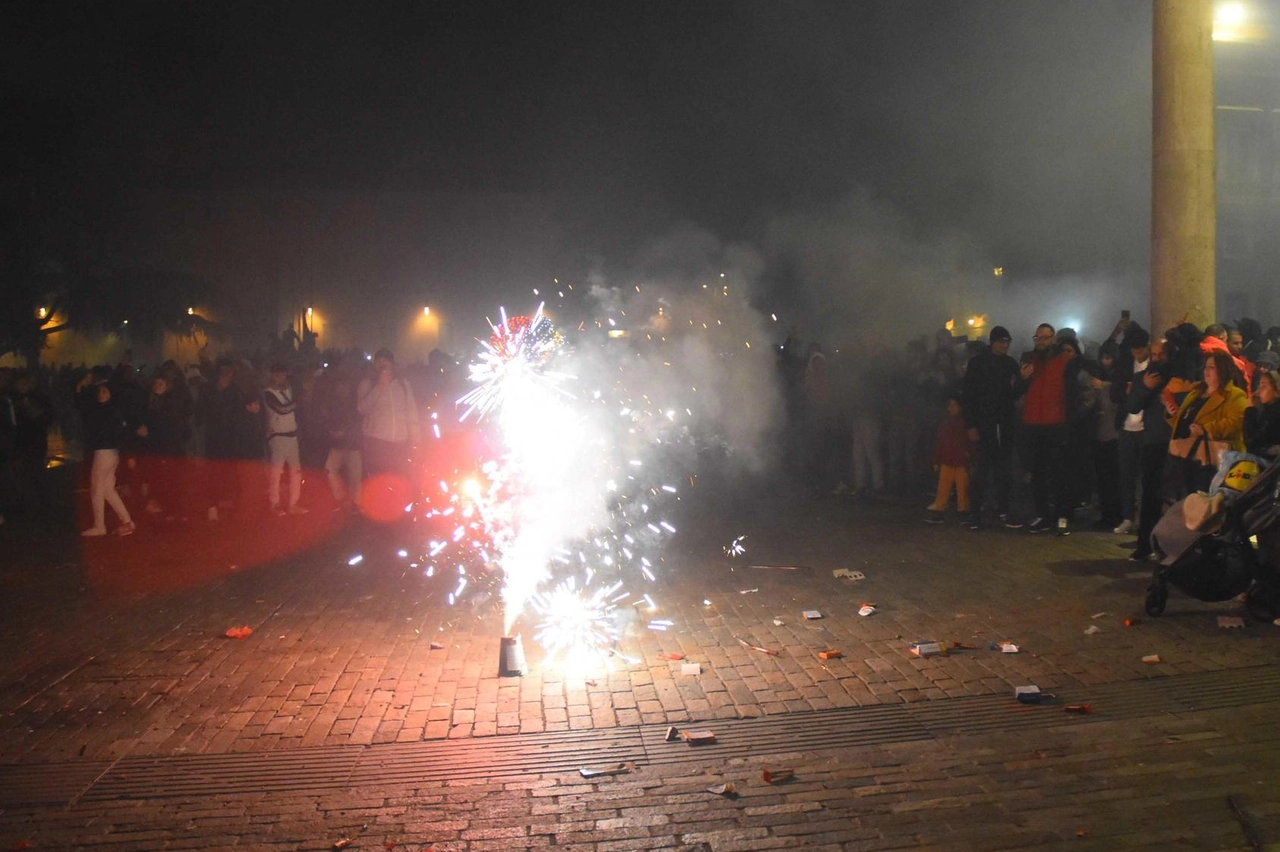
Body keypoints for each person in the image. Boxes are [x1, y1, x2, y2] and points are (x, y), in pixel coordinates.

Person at [1018, 323, 1080, 535]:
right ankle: (1043, 515)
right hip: (1033, 423)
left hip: (1056, 423)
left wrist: (1068, 424)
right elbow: (1017, 391)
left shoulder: (1065, 361)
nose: (1041, 341)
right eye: (1038, 337)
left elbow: (1071, 394)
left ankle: (1062, 515)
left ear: (1053, 339)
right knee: (1037, 472)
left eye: (1045, 337)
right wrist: (1023, 379)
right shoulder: (1029, 360)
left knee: (1059, 472)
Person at [961, 325, 1022, 529]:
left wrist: (1023, 381)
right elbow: (968, 396)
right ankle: (975, 513)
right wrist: (971, 425)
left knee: (1004, 470)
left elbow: (1014, 395)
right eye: (1001, 341)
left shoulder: (1011, 364)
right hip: (984, 424)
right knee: (981, 471)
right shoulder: (977, 364)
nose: (1004, 345)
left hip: (1004, 424)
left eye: (1007, 342)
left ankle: (1003, 509)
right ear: (993, 342)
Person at [1165, 352, 1249, 499]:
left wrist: (1206, 429)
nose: (1206, 371)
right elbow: (1184, 420)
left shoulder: (1235, 395)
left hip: (1208, 459)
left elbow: (1236, 422)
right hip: (1184, 454)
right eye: (1206, 367)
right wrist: (1172, 415)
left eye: (1212, 368)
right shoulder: (1196, 392)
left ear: (1222, 370)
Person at [1125, 338, 1171, 561]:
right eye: (1154, 354)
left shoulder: (1177, 378)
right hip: (1153, 442)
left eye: (1162, 354)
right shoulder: (1142, 378)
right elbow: (1132, 406)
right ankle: (1145, 544)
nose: (1157, 359)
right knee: (1150, 495)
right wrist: (1145, 387)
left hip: (1175, 442)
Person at [76, 373, 135, 536]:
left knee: (96, 489)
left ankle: (99, 526)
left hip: (104, 452)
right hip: (109, 452)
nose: (101, 395)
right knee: (108, 489)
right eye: (100, 392)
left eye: (105, 392)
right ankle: (127, 520)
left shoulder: (108, 411)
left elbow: (118, 433)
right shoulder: (107, 409)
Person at [357, 349, 419, 482]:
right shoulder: (368, 384)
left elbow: (411, 411)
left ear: (392, 364)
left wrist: (415, 438)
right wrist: (379, 386)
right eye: (378, 361)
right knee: (379, 479)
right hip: (377, 442)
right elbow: (362, 409)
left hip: (400, 442)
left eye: (385, 361)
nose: (381, 364)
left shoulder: (403, 384)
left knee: (398, 479)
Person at [1115, 325, 1152, 534]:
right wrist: (1124, 392)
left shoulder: (1154, 367)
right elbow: (1115, 393)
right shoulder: (1125, 366)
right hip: (1127, 426)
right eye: (1133, 350)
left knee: (1145, 476)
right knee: (1126, 474)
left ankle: (1142, 518)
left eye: (1140, 350)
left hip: (1146, 427)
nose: (1137, 354)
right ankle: (1127, 516)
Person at [263, 364, 307, 516]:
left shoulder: (288, 390)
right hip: (278, 437)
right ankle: (274, 504)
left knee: (296, 471)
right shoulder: (268, 393)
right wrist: (298, 401)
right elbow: (282, 409)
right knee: (276, 472)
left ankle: (293, 504)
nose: (280, 378)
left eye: (282, 375)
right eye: (277, 375)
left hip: (291, 435)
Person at [924, 395, 973, 523]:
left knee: (962, 490)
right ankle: (940, 510)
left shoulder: (965, 423)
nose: (950, 408)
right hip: (947, 461)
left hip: (960, 462)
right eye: (949, 405)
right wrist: (936, 460)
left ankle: (963, 511)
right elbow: (940, 443)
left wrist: (969, 456)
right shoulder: (945, 423)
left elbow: (970, 442)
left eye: (954, 405)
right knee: (943, 489)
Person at [320, 372, 363, 508]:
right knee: (330, 470)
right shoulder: (332, 403)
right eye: (340, 385)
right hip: (337, 444)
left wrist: (345, 433)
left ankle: (354, 502)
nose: (342, 388)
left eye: (345, 385)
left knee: (355, 475)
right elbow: (327, 420)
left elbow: (358, 422)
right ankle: (340, 498)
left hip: (352, 444)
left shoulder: (356, 402)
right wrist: (332, 432)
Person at [1244, 369, 1280, 455]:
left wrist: (1250, 410)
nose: (1258, 392)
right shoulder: (1267, 410)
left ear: (1277, 392)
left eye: (1264, 387)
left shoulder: (1275, 414)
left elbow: (1251, 441)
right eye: (1259, 386)